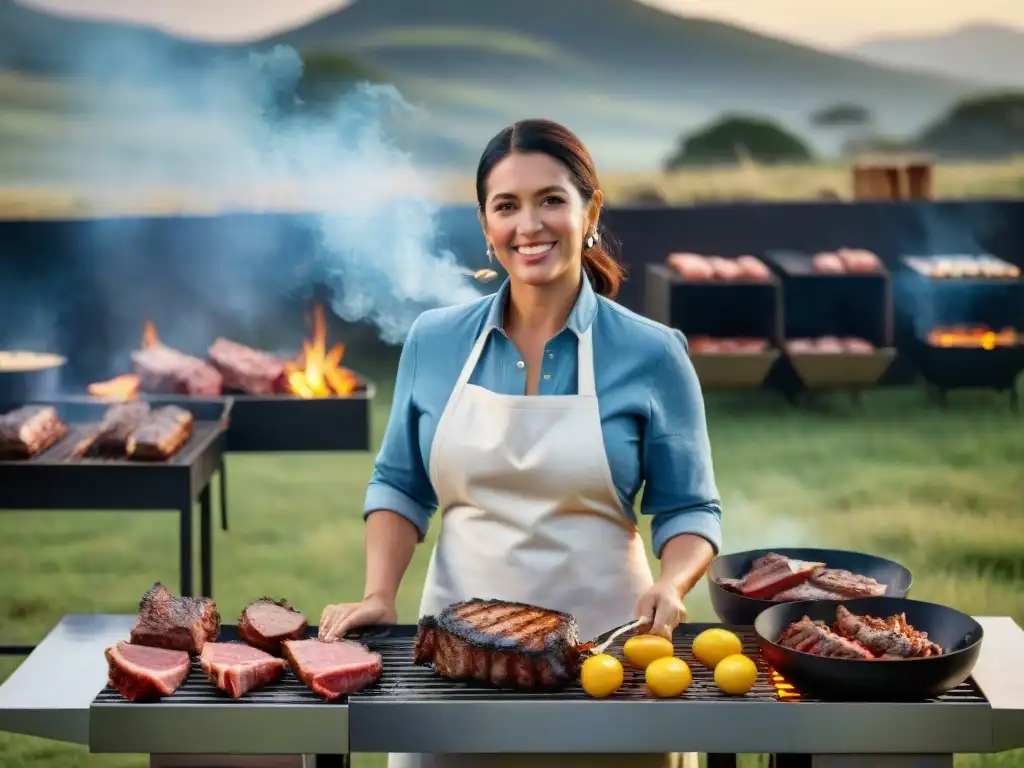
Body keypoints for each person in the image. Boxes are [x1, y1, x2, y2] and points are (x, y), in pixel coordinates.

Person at [319, 119, 723, 768]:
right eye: (507, 206)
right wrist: (377, 594)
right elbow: (400, 482)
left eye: (551, 200)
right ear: (486, 225)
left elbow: (690, 508)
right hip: (456, 670)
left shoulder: (653, 353)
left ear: (589, 210)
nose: (529, 225)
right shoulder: (434, 341)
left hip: (610, 663)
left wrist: (674, 583)